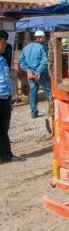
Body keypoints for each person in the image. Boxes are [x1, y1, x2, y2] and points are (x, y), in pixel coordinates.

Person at [0, 30, 23, 163]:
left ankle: (5, 155)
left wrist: (10, 98)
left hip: (4, 98)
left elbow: (5, 80)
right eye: (2, 43)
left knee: (3, 128)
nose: (5, 46)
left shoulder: (2, 59)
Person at [19, 30, 51, 118]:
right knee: (48, 91)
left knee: (33, 92)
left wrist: (28, 71)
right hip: (42, 74)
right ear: (40, 37)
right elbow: (45, 61)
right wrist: (39, 72)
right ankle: (52, 111)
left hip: (30, 75)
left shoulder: (26, 48)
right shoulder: (43, 47)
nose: (45, 39)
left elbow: (21, 62)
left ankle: (34, 113)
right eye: (44, 37)